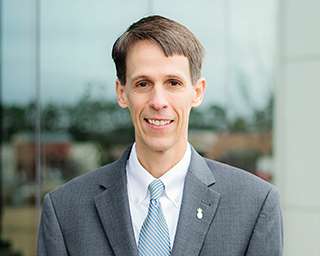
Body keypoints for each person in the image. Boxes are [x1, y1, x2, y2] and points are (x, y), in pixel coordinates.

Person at [37, 15, 283, 256]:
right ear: (121, 93)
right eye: (143, 84)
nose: (158, 102)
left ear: (197, 92)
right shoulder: (64, 210)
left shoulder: (255, 204)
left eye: (173, 83)